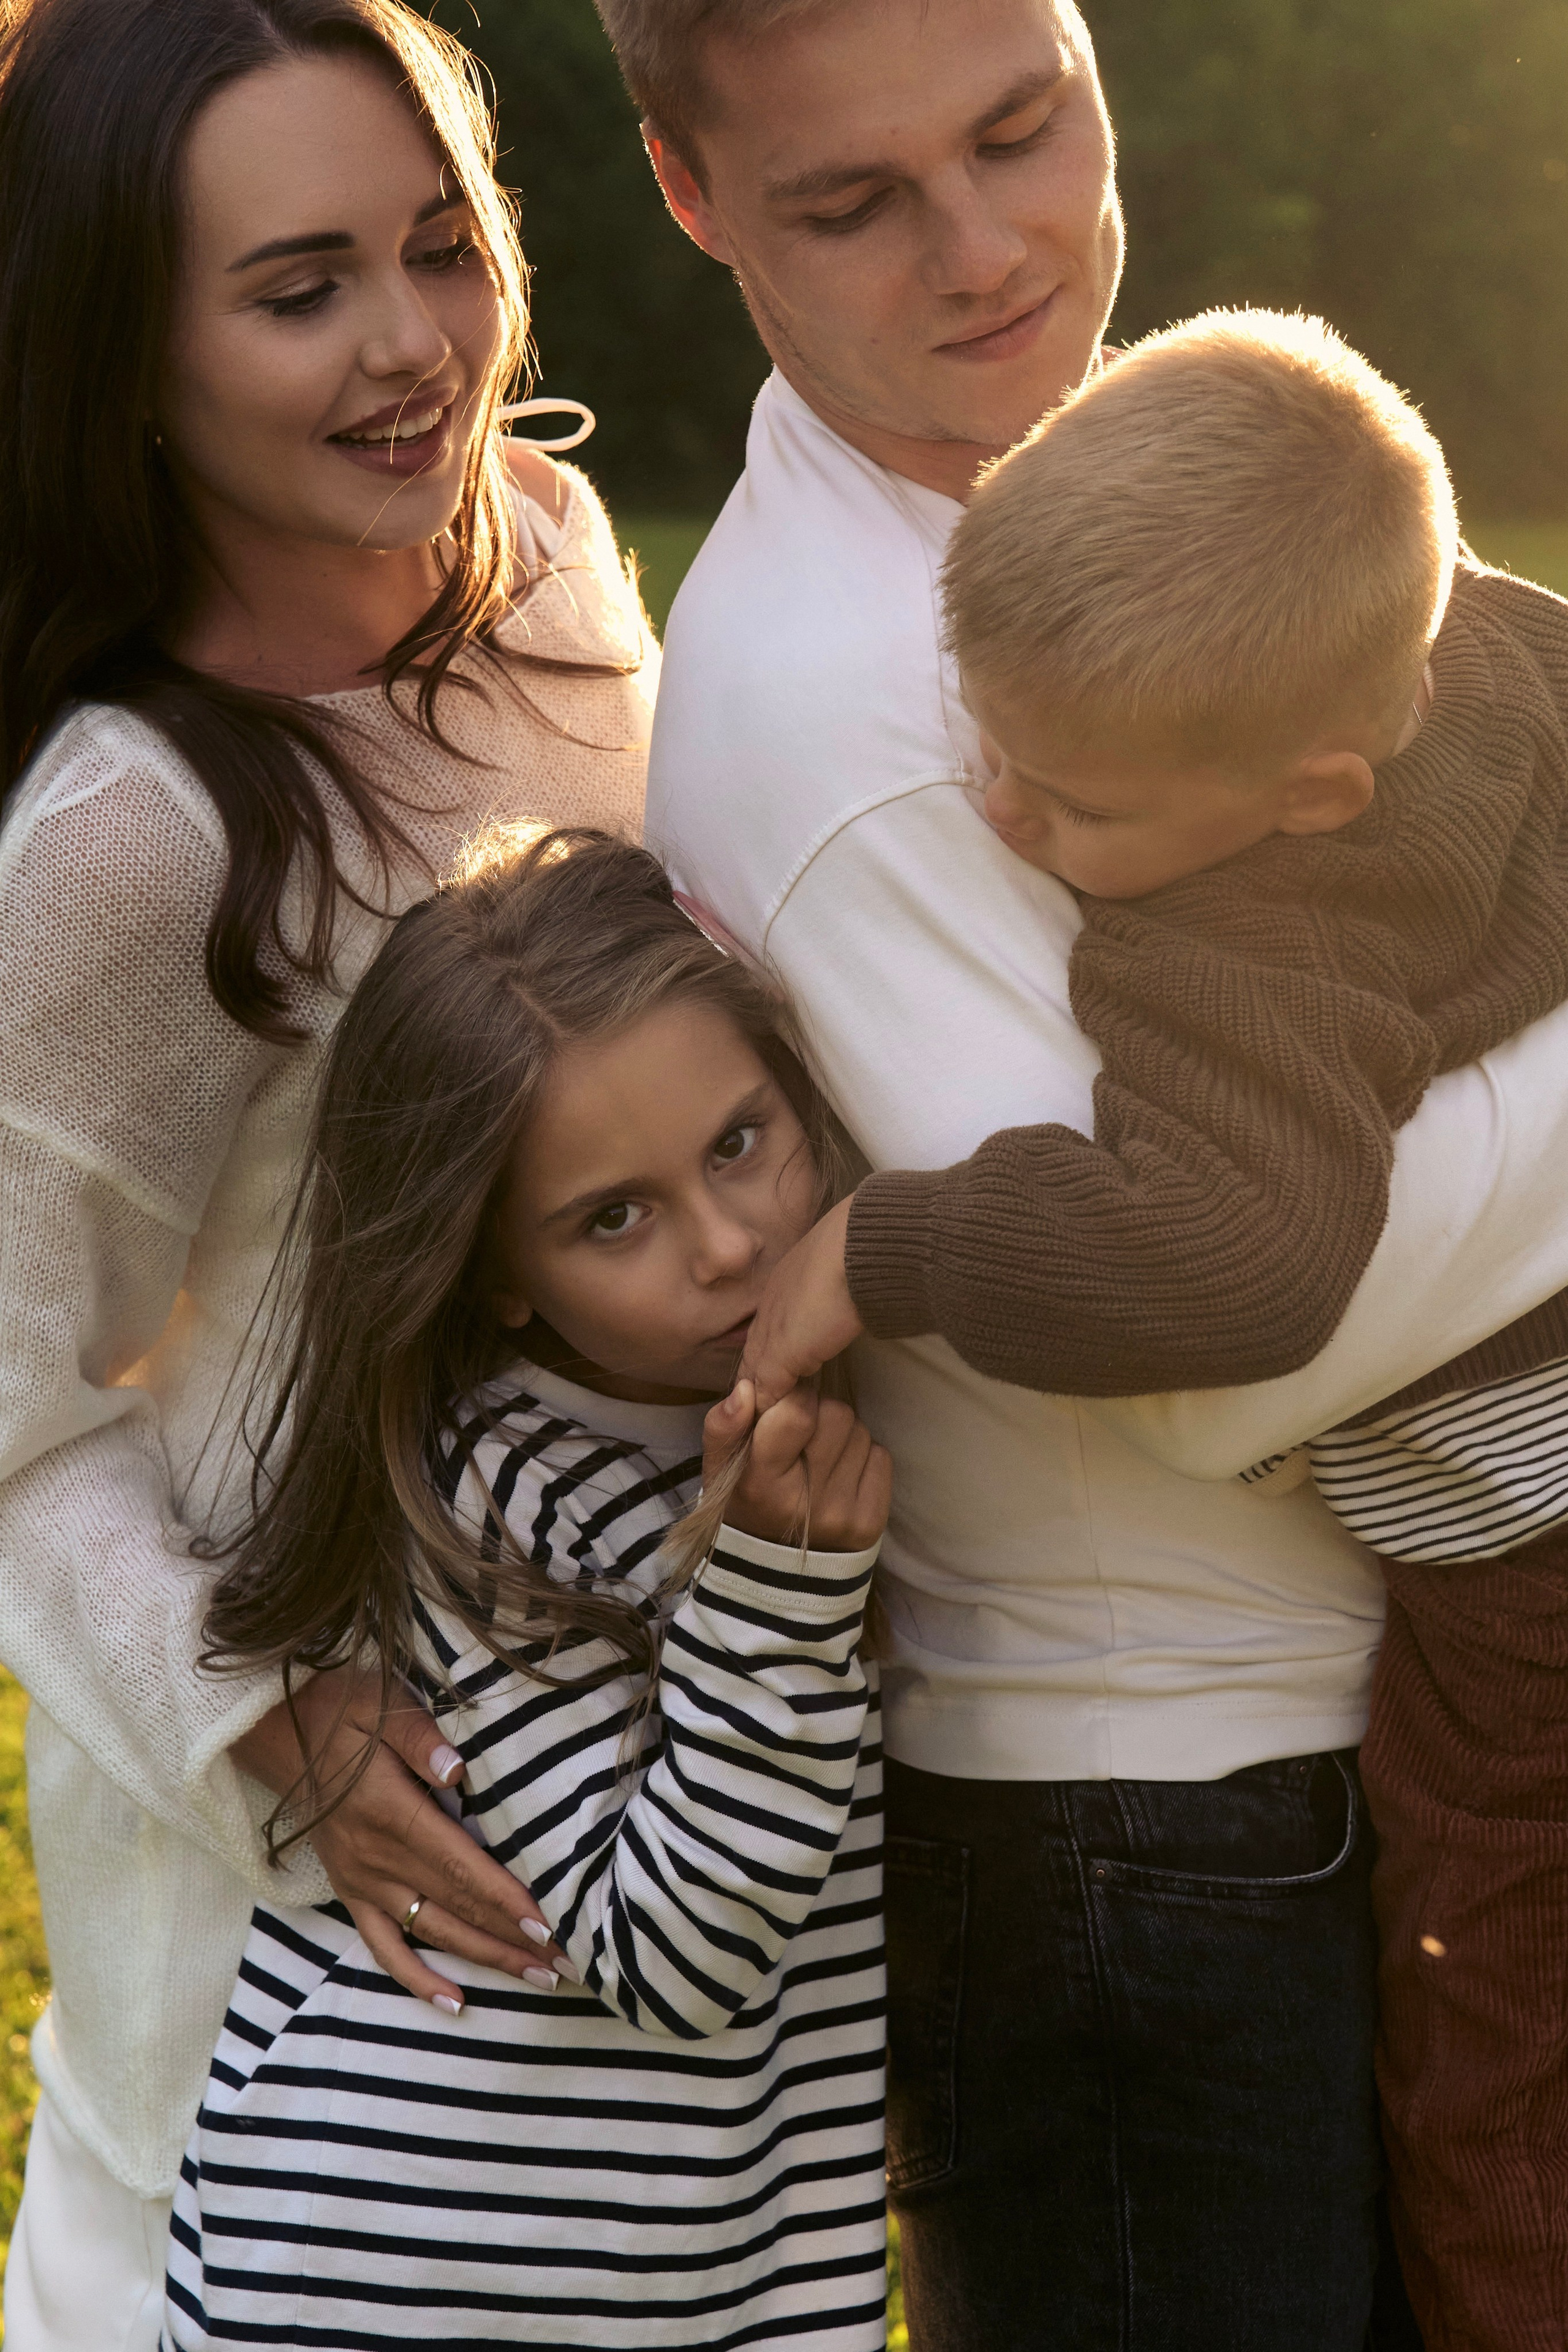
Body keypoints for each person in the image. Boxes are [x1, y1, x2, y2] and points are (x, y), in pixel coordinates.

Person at [590, 0, 1568, 2339]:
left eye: (1026, 128)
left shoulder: (1139, 485)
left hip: (1322, 1747)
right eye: (853, 201)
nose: (987, 250)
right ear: (694, 197)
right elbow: (1244, 1321)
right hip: (1153, 1837)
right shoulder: (867, 698)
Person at [0, 3, 652, 2343]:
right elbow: (3, 1425)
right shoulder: (133, 837)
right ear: (123, 348)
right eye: (298, 289)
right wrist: (267, 1720)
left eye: (440, 246)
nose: (413, 349)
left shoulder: (562, 565)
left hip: (629, 1774)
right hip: (309, 1839)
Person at [163, 826, 889, 2350]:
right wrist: (779, 1586)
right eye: (610, 1218)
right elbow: (669, 1958)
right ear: (492, 1271)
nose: (730, 1245)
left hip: (681, 2277)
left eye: (739, 1141)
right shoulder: (502, 1493)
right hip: (400, 2284)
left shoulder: (739, 1415)